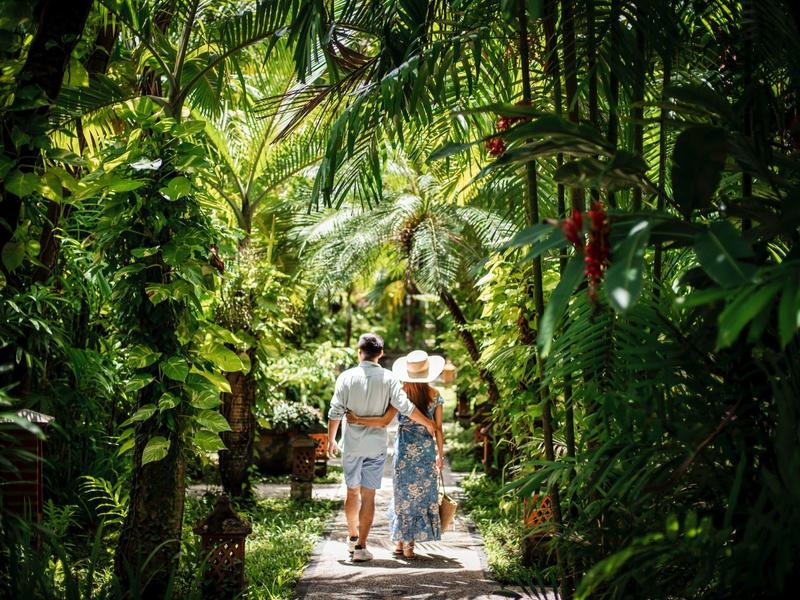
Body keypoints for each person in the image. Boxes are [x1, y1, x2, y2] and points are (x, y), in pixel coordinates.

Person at [327, 334, 436, 563]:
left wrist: (331, 439)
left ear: (359, 353)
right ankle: (361, 547)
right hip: (375, 447)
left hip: (352, 446)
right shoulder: (389, 378)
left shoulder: (346, 377)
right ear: (381, 354)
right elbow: (405, 407)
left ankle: (352, 538)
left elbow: (335, 411)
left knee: (352, 492)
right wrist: (428, 422)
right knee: (368, 496)